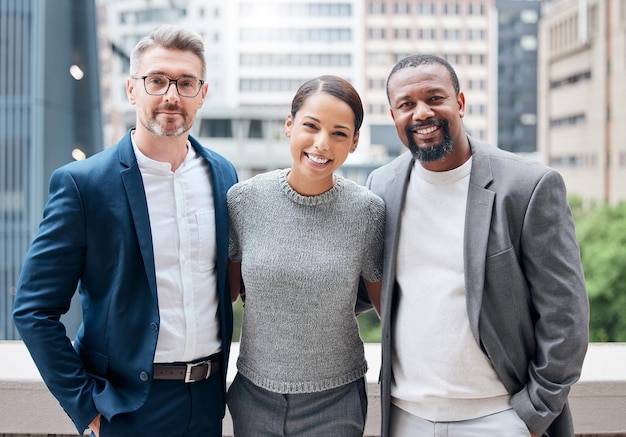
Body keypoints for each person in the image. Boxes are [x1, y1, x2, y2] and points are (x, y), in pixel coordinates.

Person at [13, 24, 237, 437]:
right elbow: (33, 310)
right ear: (133, 89)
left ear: (202, 94)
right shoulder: (83, 184)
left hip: (208, 403)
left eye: (186, 82)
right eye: (157, 80)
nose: (172, 95)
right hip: (128, 409)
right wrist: (87, 408)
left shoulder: (223, 174)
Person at [365, 54, 589, 437]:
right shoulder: (380, 186)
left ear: (461, 103)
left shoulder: (528, 186)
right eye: (406, 104)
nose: (421, 113)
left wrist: (533, 416)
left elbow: (565, 316)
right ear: (393, 115)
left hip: (500, 418)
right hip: (404, 416)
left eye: (435, 98)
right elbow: (359, 287)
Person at [226, 75, 384, 437]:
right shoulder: (243, 200)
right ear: (289, 124)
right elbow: (227, 295)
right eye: (310, 126)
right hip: (253, 395)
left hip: (336, 400)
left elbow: (385, 309)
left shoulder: (368, 212)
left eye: (340, 133)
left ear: (355, 142)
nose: (322, 144)